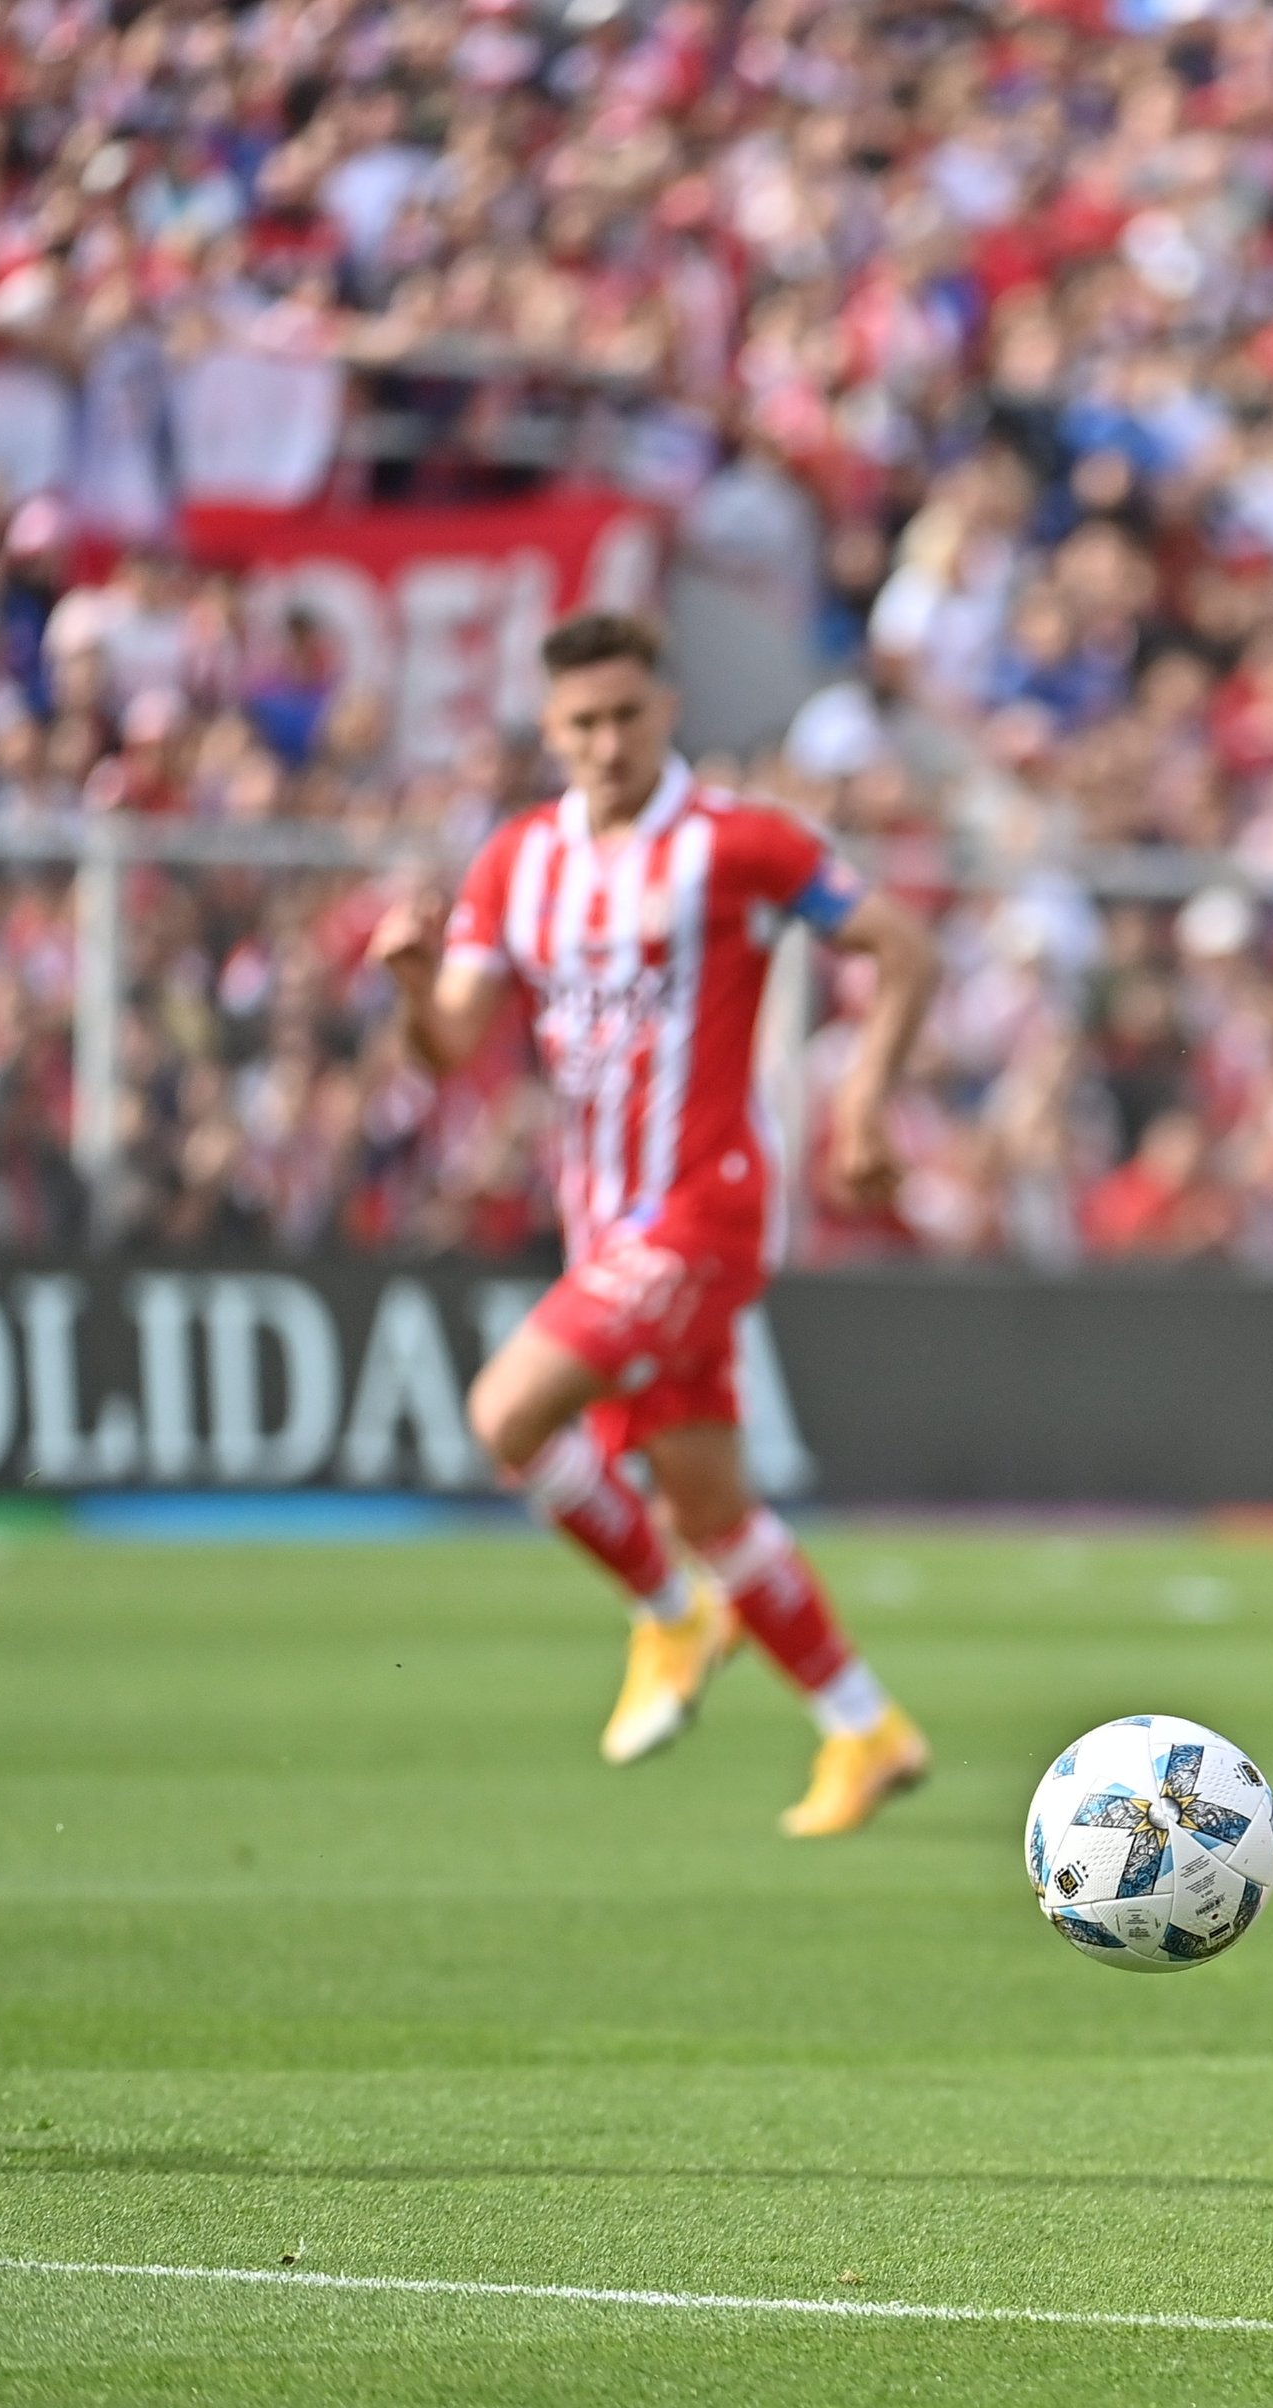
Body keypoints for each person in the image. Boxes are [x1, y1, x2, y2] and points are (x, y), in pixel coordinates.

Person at [370, 611, 940, 1839]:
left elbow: (899, 946)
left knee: (505, 1415)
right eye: (581, 722)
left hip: (705, 1207)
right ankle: (865, 1726)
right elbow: (451, 1042)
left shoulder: (739, 844)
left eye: (626, 714)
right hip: (604, 1226)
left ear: (665, 709)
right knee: (710, 1508)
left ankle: (669, 1612)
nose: (606, 741)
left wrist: (862, 1107)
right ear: (549, 728)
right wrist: (415, 983)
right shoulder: (515, 860)